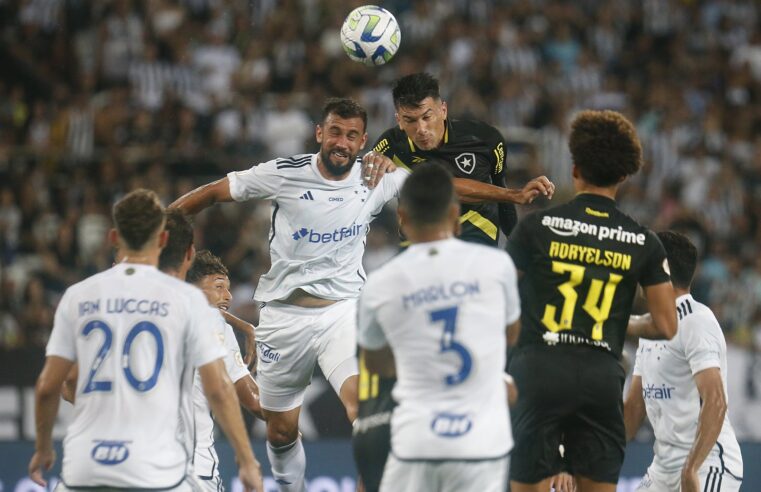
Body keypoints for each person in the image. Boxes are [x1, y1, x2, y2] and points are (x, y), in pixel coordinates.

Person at [169, 98, 410, 492]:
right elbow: (214, 192)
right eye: (335, 132)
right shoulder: (283, 173)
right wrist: (157, 233)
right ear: (319, 133)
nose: (342, 142)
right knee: (279, 431)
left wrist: (510, 196)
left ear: (363, 141)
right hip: (284, 316)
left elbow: (439, 188)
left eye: (352, 136)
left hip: (343, 313)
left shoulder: (376, 177)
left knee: (365, 412)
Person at [353, 72, 555, 492]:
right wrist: (382, 167)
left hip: (476, 257)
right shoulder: (388, 146)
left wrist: (512, 247)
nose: (421, 130)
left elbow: (494, 196)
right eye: (410, 121)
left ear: (442, 109)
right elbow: (376, 185)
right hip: (422, 268)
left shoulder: (486, 140)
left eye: (427, 117)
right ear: (398, 118)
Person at [28, 189, 263, 491]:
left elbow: (54, 386)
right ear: (163, 242)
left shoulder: (77, 297)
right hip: (159, 468)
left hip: (87, 466)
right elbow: (219, 389)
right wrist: (246, 461)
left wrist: (44, 447)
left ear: (113, 239)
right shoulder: (188, 304)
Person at [505, 110, 678, 492]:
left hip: (539, 371)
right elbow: (667, 325)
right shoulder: (643, 241)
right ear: (624, 176)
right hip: (601, 375)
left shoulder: (535, 227)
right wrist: (622, 324)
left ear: (575, 168)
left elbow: (498, 298)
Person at [357, 162, 520, 491]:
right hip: (483, 443)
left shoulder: (380, 283)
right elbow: (509, 336)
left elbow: (374, 364)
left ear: (402, 219)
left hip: (417, 442)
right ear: (456, 215)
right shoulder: (497, 265)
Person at [625, 231, 743, 492]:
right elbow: (633, 409)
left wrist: (691, 468)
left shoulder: (696, 321)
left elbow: (716, 400)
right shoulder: (651, 326)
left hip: (707, 465)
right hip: (662, 470)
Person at [187, 250, 264, 490]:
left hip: (142, 464)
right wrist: (285, 416)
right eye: (218, 287)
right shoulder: (213, 322)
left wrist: (239, 323)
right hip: (195, 469)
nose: (228, 296)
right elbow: (253, 401)